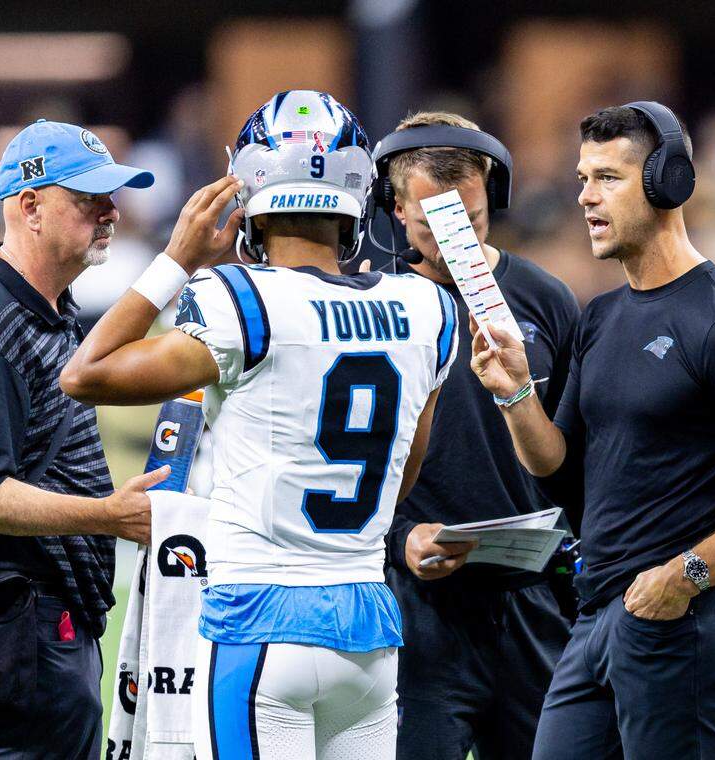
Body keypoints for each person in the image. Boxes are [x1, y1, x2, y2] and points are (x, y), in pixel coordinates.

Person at [61, 91, 459, 759]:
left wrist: (177, 260)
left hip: (258, 622)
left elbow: (85, 373)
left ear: (250, 193)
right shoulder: (428, 308)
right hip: (366, 624)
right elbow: (403, 471)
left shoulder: (237, 301)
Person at [471, 101, 715, 758]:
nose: (585, 197)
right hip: (599, 613)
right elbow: (562, 471)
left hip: (682, 620)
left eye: (608, 178)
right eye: (582, 178)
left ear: (667, 182)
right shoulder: (600, 317)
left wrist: (685, 577)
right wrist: (514, 397)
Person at [371, 111, 579, 760]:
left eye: (469, 213)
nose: (454, 235)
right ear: (396, 210)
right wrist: (400, 539)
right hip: (417, 606)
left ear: (494, 193)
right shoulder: (371, 306)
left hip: (535, 599)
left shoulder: (547, 298)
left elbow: (579, 453)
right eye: (434, 220)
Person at [0, 119, 165, 759]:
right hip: (20, 631)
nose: (111, 212)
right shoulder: (5, 323)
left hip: (45, 628)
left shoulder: (51, 310)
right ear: (31, 206)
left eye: (112, 196)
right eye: (89, 198)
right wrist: (104, 516)